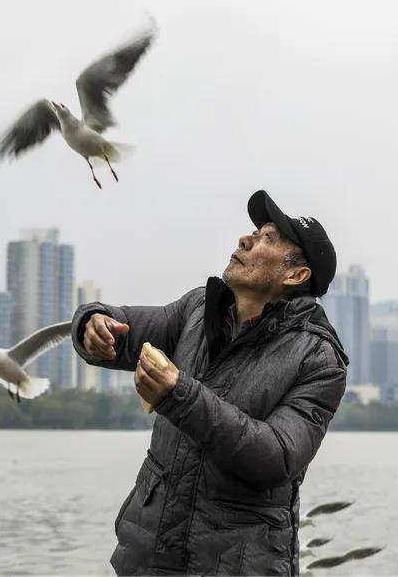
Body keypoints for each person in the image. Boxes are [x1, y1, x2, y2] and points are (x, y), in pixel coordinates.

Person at [71, 190, 348, 576]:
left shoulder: (319, 359)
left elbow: (276, 457)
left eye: (268, 239)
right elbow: (123, 329)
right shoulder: (199, 309)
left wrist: (177, 395)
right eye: (254, 231)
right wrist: (92, 323)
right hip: (148, 558)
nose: (245, 240)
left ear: (295, 275)